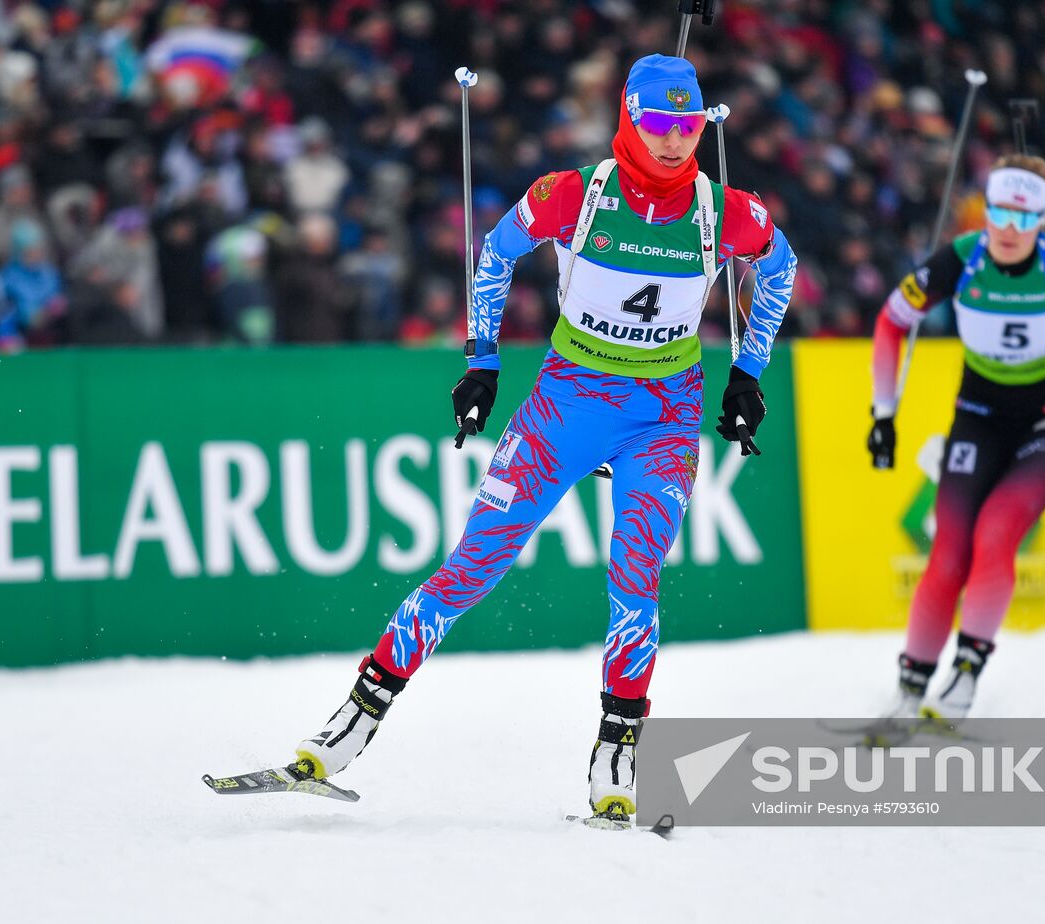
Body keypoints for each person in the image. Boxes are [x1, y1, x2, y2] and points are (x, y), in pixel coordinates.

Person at [293, 55, 797, 822]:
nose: (673, 141)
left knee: (636, 581)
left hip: (661, 418)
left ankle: (617, 756)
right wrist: (482, 360)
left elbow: (781, 270)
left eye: (688, 126)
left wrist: (748, 373)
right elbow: (495, 252)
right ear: (630, 118)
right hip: (566, 406)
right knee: (472, 566)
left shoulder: (724, 211)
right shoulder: (576, 194)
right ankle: (352, 723)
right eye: (659, 124)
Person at [867, 154, 1045, 721]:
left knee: (997, 530)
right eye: (998, 214)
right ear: (982, 212)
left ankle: (965, 674)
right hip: (980, 412)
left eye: (1024, 217)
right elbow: (891, 322)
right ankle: (910, 687)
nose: (1009, 230)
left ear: (1043, 220)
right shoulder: (961, 259)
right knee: (949, 550)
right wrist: (883, 413)